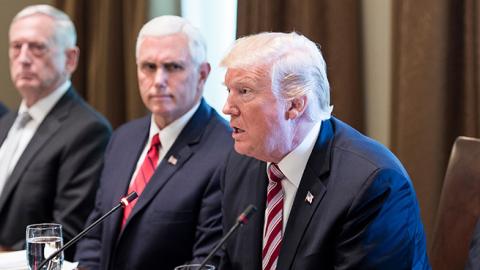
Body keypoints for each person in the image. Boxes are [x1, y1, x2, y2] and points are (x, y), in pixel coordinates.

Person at [219, 32, 431, 269]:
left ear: (295, 105)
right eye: (228, 91)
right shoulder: (241, 163)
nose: (227, 108)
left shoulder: (372, 184)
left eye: (244, 92)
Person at [74, 15, 232, 270]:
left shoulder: (226, 150)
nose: (158, 80)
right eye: (148, 66)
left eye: (173, 67)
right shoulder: (123, 138)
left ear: (203, 74)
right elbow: (95, 235)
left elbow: (207, 259)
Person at [0, 5, 111, 260]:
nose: (24, 58)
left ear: (70, 59)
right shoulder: (5, 123)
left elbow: (67, 235)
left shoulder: (88, 130)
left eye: (37, 47)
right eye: (17, 47)